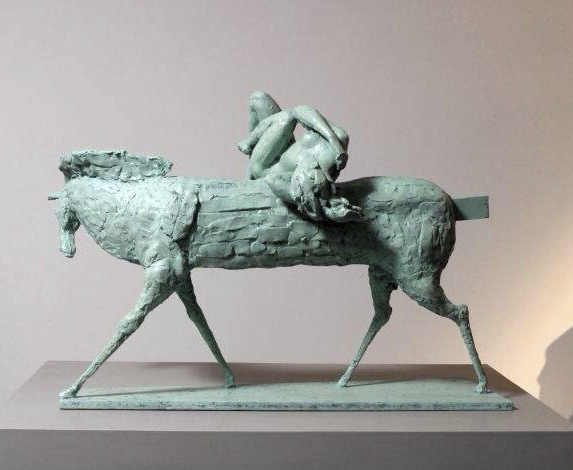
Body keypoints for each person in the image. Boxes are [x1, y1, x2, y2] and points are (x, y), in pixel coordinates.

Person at [237, 91, 362, 222]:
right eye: (309, 174)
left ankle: (250, 152)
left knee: (284, 116)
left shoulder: (297, 187)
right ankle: (252, 141)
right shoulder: (337, 145)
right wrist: (332, 139)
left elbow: (272, 180)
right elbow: (299, 110)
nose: (304, 171)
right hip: (284, 144)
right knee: (258, 98)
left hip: (264, 164)